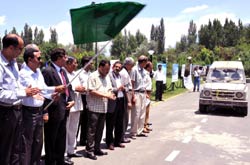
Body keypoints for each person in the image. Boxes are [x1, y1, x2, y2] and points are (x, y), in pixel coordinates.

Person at [19, 44, 66, 165]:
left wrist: (51, 95)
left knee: (38, 143)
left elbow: (44, 89)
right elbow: (36, 89)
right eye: (38, 58)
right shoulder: (23, 73)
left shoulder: (38, 71)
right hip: (28, 112)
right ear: (29, 59)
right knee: (27, 144)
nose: (41, 61)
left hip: (39, 110)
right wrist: (55, 88)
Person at [0, 34, 40, 165]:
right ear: (11, 48)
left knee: (17, 149)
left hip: (18, 111)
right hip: (5, 113)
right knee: (5, 150)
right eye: (20, 49)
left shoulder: (14, 64)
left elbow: (15, 86)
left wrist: (27, 90)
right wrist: (23, 92)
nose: (21, 52)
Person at [42, 48, 75, 165]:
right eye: (65, 57)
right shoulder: (47, 71)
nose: (66, 59)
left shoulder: (63, 71)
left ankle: (60, 160)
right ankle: (50, 161)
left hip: (64, 108)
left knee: (61, 137)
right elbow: (44, 92)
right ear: (58, 58)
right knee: (51, 138)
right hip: (53, 110)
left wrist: (71, 100)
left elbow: (68, 87)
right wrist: (44, 111)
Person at [85, 60, 115, 160]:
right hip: (94, 107)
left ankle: (97, 148)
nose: (107, 71)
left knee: (100, 129)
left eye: (108, 70)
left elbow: (109, 88)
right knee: (92, 130)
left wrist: (111, 93)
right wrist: (106, 95)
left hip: (103, 107)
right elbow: (91, 91)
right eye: (106, 69)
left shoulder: (106, 77)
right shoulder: (93, 76)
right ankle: (90, 150)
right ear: (100, 67)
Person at [64, 56, 85, 158]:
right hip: (68, 105)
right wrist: (76, 88)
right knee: (65, 129)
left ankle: (71, 150)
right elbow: (69, 87)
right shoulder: (63, 73)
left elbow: (82, 86)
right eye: (74, 63)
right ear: (68, 64)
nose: (76, 65)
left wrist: (81, 88)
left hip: (77, 105)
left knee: (74, 129)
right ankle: (64, 152)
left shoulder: (76, 74)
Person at [106, 61, 127, 150]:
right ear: (113, 67)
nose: (117, 68)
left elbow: (123, 87)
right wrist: (118, 89)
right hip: (113, 101)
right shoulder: (109, 76)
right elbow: (109, 88)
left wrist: (123, 88)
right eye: (116, 66)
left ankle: (117, 141)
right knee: (111, 123)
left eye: (119, 67)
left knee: (119, 123)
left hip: (121, 100)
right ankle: (110, 142)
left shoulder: (120, 76)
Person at [130, 55, 148, 139]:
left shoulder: (144, 71)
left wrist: (145, 93)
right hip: (136, 93)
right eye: (145, 63)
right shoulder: (134, 70)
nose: (146, 64)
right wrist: (132, 95)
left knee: (142, 113)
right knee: (136, 113)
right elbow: (132, 83)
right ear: (143, 62)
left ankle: (140, 131)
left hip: (142, 93)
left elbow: (143, 84)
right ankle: (133, 132)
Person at [77, 56, 93, 146]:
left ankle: (84, 139)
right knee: (79, 119)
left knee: (87, 119)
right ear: (85, 63)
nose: (92, 65)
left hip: (89, 97)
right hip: (81, 97)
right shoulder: (79, 73)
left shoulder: (91, 74)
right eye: (90, 63)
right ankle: (74, 140)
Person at [119, 57, 134, 143]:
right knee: (124, 118)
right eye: (131, 65)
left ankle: (122, 135)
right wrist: (128, 101)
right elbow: (124, 88)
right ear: (127, 64)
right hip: (125, 96)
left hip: (127, 94)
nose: (131, 67)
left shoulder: (126, 72)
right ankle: (122, 136)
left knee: (125, 117)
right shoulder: (123, 73)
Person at [144, 61, 153, 133]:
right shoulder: (144, 74)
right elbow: (143, 85)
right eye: (151, 66)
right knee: (145, 110)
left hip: (149, 92)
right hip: (146, 92)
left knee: (148, 110)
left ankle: (146, 124)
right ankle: (144, 125)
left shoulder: (148, 74)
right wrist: (146, 93)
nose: (152, 68)